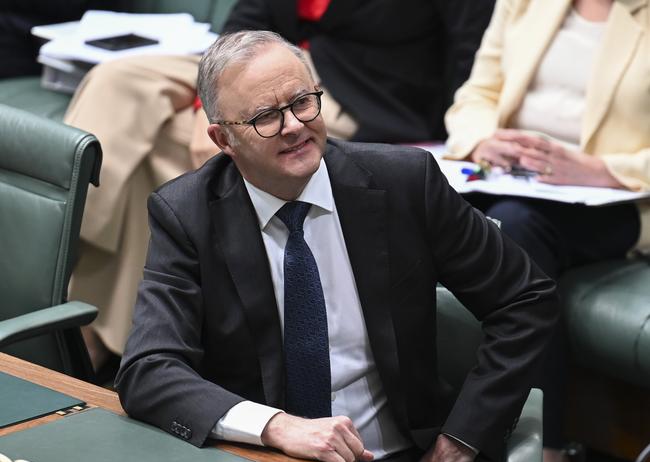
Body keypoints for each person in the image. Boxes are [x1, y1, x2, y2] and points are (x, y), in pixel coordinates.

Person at [115, 30, 558, 462]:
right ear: (223, 139)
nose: (293, 126)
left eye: (302, 102)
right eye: (266, 116)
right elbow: (149, 369)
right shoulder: (186, 214)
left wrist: (459, 444)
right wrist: (275, 426)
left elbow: (526, 299)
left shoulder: (406, 183)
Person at [64, 0, 496, 373]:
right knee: (116, 81)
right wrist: (205, 105)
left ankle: (95, 325)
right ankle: (63, 240)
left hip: (359, 93)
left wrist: (466, 135)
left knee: (157, 145)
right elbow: (246, 19)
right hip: (262, 68)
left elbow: (471, 51)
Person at [444, 0, 650, 462]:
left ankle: (545, 453)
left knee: (513, 231)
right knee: (424, 206)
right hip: (515, 183)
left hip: (620, 199)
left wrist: (602, 170)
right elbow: (477, 93)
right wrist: (483, 141)